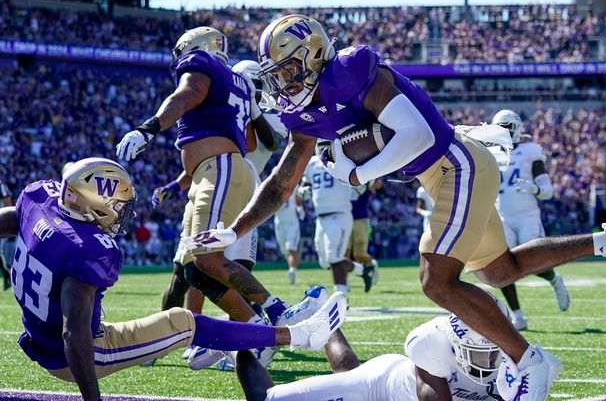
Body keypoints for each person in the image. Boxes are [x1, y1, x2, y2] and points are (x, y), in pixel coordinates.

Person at [185, 15, 606, 400]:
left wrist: (357, 173)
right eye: (277, 75)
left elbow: (418, 135)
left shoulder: (351, 70)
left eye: (287, 70)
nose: (283, 83)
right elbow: (283, 181)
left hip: (456, 163)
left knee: (436, 279)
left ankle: (530, 362)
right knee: (498, 271)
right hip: (441, 173)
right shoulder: (304, 112)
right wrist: (234, 229)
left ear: (311, 56)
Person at [0, 157, 347, 401]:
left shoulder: (40, 199)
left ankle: (269, 338)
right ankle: (299, 335)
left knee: (179, 320)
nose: (121, 214)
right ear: (95, 203)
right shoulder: (86, 247)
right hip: (76, 351)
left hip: (41, 333)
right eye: (118, 206)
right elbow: (74, 333)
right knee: (183, 323)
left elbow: (15, 218)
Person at [115, 27, 290, 328]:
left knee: (204, 262)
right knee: (190, 270)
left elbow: (188, 94)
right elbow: (244, 140)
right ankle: (192, 334)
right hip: (211, 172)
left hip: (221, 170)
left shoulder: (204, 65)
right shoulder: (238, 84)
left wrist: (149, 128)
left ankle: (273, 314)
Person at [236, 293, 559, 401]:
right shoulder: (431, 341)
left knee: (348, 369)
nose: (489, 358)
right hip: (382, 386)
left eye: (496, 346)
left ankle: (320, 321)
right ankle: (243, 338)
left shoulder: (527, 359)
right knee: (264, 398)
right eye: (478, 350)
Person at [488, 110, 570, 330]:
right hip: (502, 215)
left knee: (531, 261)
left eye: (507, 128)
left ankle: (554, 279)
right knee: (500, 265)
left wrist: (533, 188)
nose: (503, 133)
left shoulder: (530, 151)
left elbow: (548, 191)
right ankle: (517, 316)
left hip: (527, 215)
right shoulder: (491, 153)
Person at [301, 140, 374, 293]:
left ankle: (341, 297)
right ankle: (362, 270)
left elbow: (360, 186)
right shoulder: (312, 164)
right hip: (321, 217)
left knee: (334, 257)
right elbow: (305, 186)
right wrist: (305, 192)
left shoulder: (343, 161)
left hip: (340, 214)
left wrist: (358, 185)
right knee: (325, 261)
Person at [347, 178, 382, 288]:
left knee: (359, 254)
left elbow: (378, 186)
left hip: (361, 219)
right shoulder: (343, 176)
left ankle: (373, 265)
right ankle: (344, 281)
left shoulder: (365, 178)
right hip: (345, 218)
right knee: (344, 254)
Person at [274, 184, 304, 285]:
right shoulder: (274, 185)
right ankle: (292, 267)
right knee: (285, 250)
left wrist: (300, 208)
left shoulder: (293, 183)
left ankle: (292, 270)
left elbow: (298, 198)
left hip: (291, 221)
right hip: (279, 221)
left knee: (291, 248)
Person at [0, 178, 13, 290]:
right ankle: (7, 278)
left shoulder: (1, 185)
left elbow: (8, 203)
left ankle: (9, 276)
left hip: (1, 222)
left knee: (2, 253)